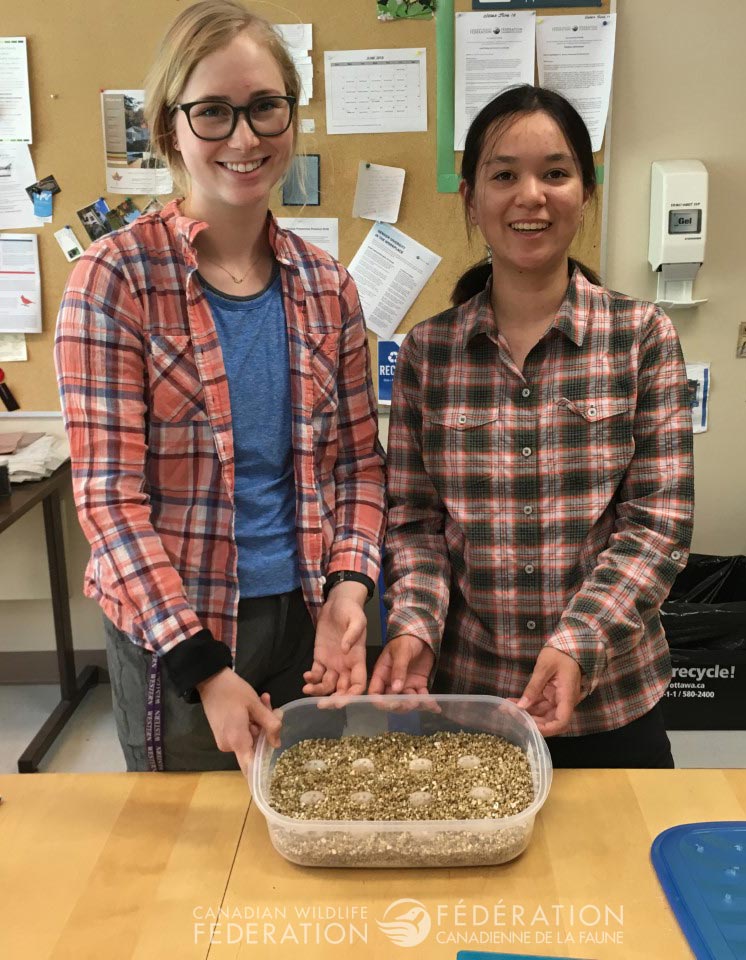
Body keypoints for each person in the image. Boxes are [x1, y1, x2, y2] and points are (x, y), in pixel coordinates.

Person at [55, 0, 385, 775]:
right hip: (178, 625)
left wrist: (350, 590)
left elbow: (359, 466)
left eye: (266, 108)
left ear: (293, 120)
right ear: (170, 127)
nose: (245, 138)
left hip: (307, 619)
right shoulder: (114, 281)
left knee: (309, 823)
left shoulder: (327, 287)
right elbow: (110, 500)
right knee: (187, 853)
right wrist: (201, 665)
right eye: (213, 113)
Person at [370, 85, 694, 768]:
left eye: (555, 172)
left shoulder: (642, 338)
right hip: (468, 700)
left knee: (618, 873)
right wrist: (415, 630)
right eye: (504, 175)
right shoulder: (429, 354)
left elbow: (658, 523)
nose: (531, 196)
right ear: (470, 199)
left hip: (613, 698)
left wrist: (577, 640)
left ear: (586, 189)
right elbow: (415, 526)